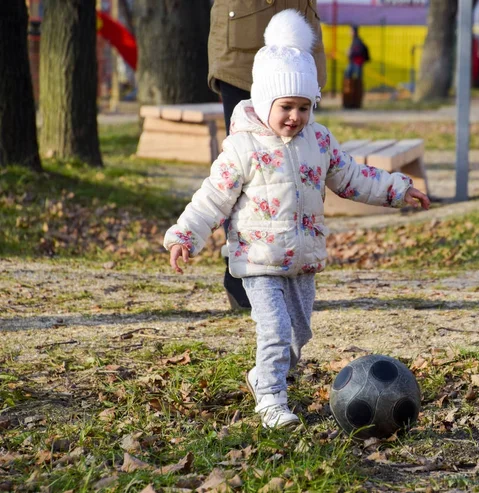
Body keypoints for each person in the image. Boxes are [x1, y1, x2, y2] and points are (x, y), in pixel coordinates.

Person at [164, 10, 430, 429]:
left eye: (305, 107)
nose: (295, 117)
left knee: (297, 336)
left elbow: (352, 177)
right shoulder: (243, 147)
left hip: (302, 262)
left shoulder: (319, 141)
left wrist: (397, 189)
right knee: (272, 330)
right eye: (286, 106)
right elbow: (211, 198)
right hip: (258, 260)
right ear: (266, 100)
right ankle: (270, 400)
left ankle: (263, 378)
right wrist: (185, 235)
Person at [207, 0, 327, 310]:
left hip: (301, 29)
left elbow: (343, 169)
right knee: (246, 166)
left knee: (298, 163)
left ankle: (286, 272)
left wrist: (393, 189)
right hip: (246, 32)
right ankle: (246, 274)